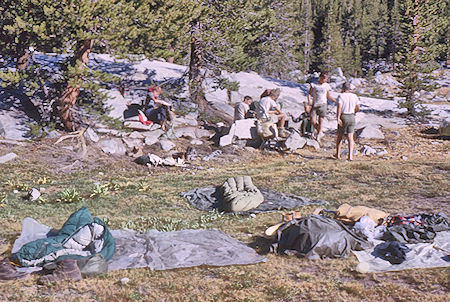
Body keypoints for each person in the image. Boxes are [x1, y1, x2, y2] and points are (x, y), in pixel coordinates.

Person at [307, 72, 336, 142]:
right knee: (313, 120)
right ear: (320, 77)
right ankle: (319, 131)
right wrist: (309, 101)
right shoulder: (314, 85)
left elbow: (328, 95)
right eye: (324, 79)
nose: (325, 80)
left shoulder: (326, 86)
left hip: (323, 104)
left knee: (321, 121)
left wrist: (335, 101)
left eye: (326, 79)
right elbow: (309, 94)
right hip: (315, 104)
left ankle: (319, 134)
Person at [334, 82, 360, 161]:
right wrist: (354, 112)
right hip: (351, 116)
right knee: (350, 137)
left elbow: (339, 107)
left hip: (344, 116)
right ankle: (350, 156)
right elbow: (358, 107)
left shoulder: (341, 96)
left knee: (340, 136)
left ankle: (337, 154)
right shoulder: (354, 96)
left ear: (343, 88)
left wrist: (338, 118)